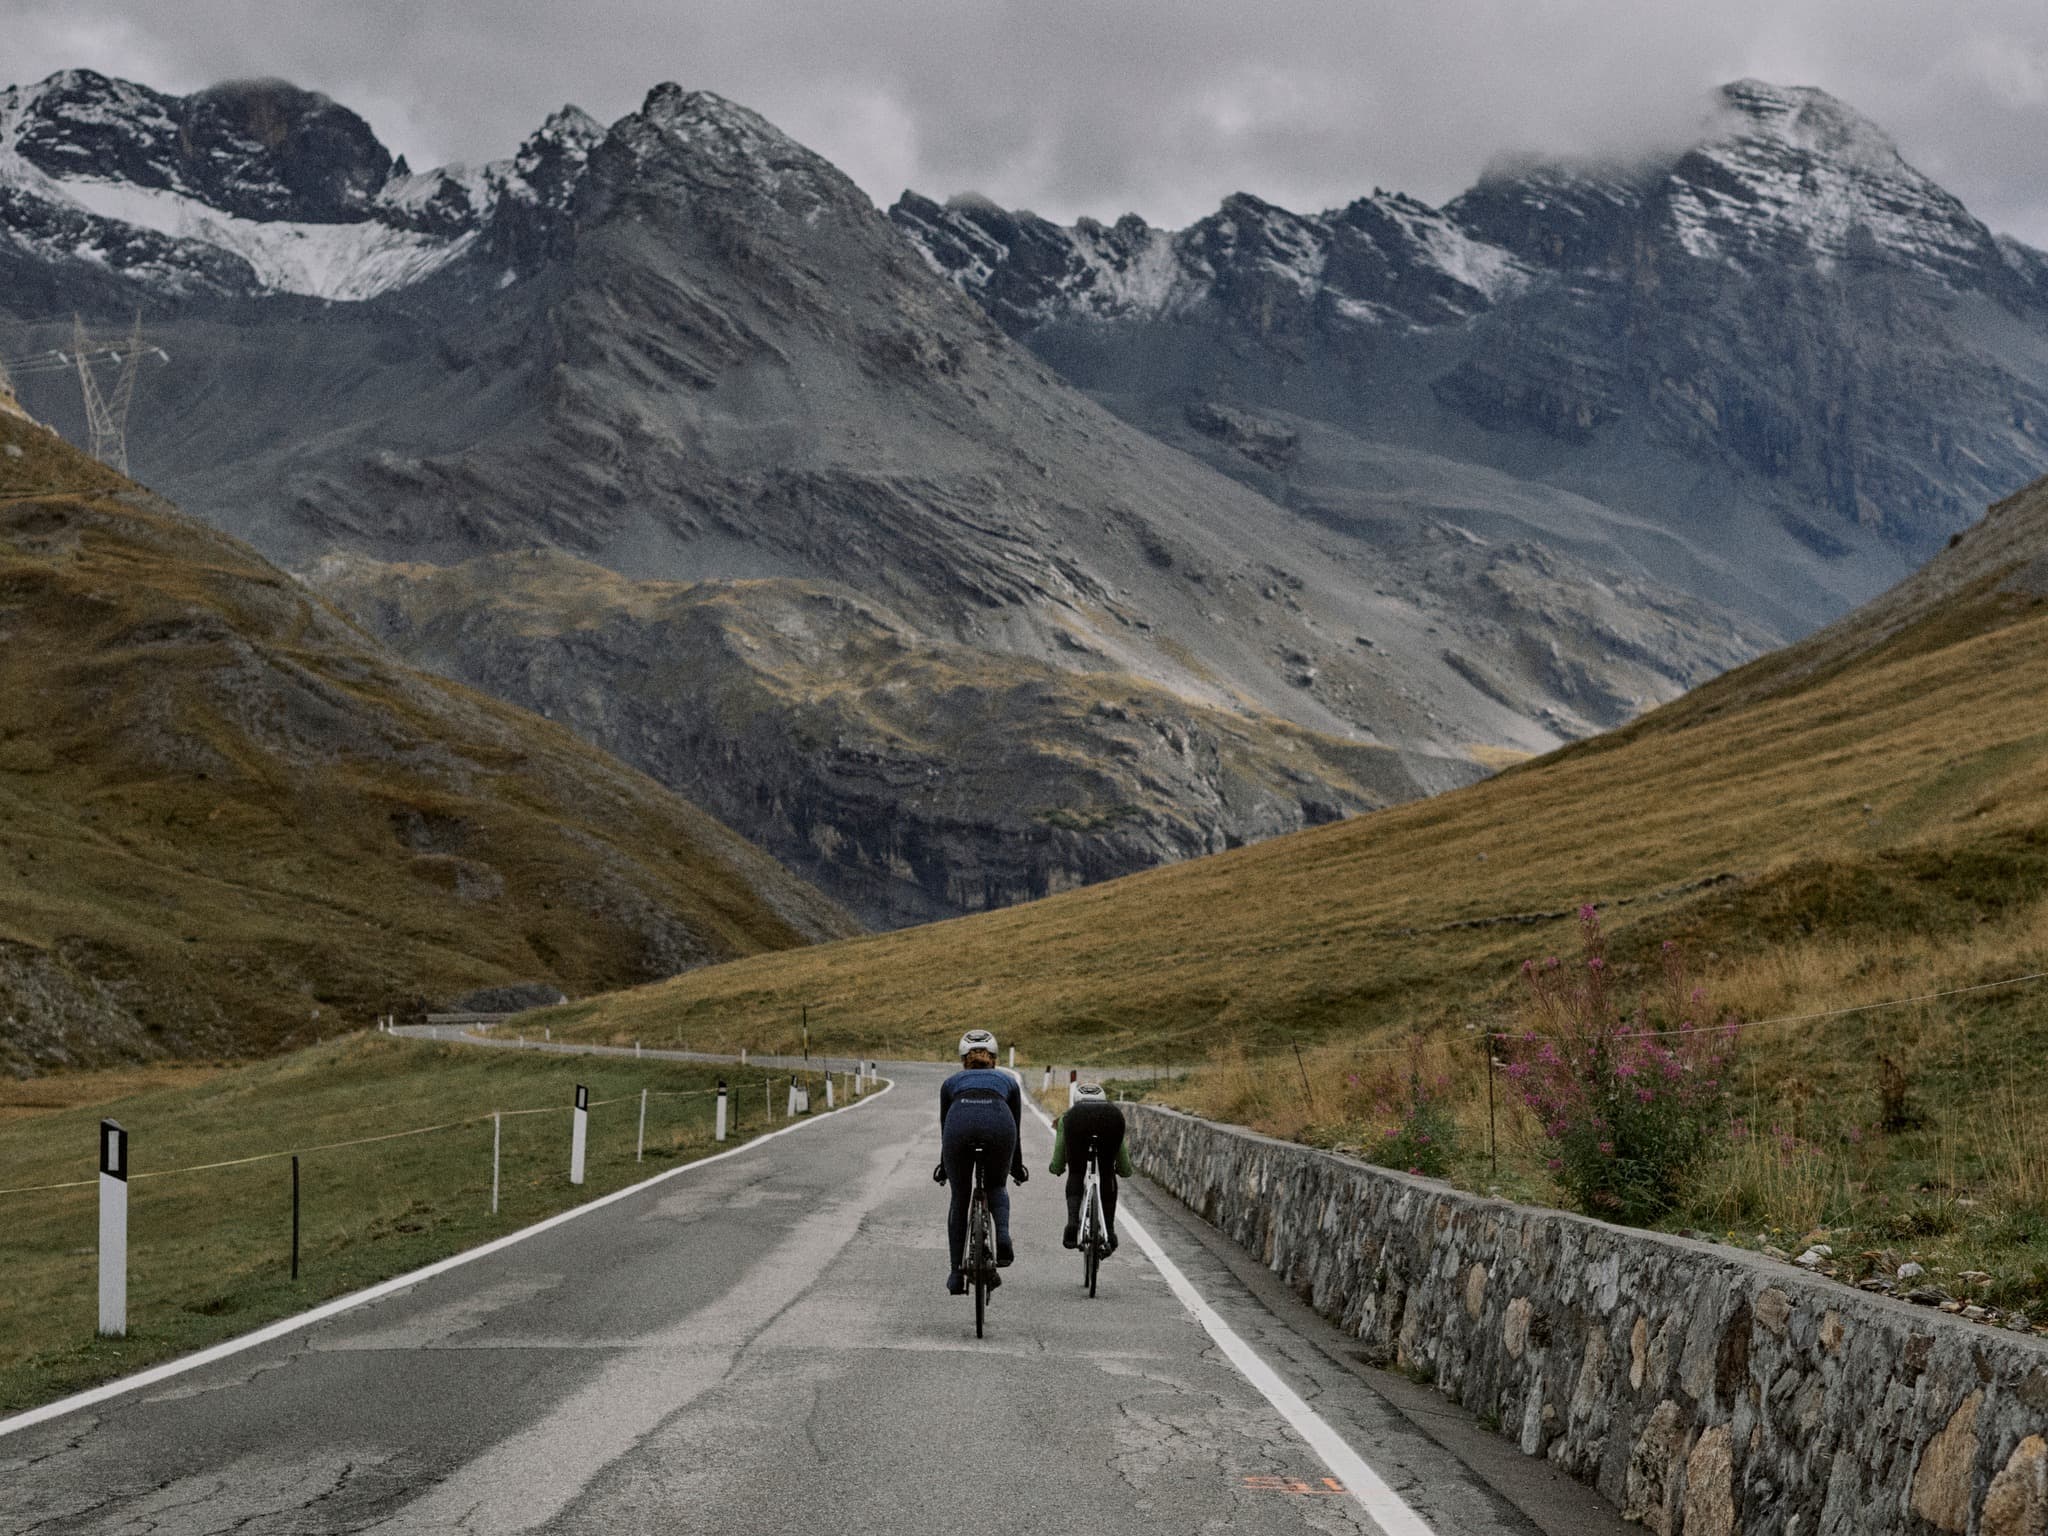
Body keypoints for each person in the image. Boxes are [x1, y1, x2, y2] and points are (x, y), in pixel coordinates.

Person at [932, 1028, 1028, 1295]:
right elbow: (1016, 1129)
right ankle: (1004, 1235)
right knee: (996, 1187)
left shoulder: (950, 1084)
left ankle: (955, 1274)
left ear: (963, 1060)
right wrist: (1016, 1168)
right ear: (994, 1058)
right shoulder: (1008, 1081)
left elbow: (945, 1128)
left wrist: (944, 1167)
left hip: (959, 1128)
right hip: (999, 1125)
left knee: (960, 1198)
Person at [1049, 1082, 1132, 1254]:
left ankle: (1072, 1224)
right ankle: (1109, 1230)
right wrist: (1124, 1170)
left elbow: (1060, 1151)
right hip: (1112, 1118)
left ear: (1077, 1100)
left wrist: (1057, 1167)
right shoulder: (1110, 1110)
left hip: (1077, 1121)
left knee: (1077, 1172)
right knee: (1107, 1172)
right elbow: (1121, 1152)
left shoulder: (1070, 1115)